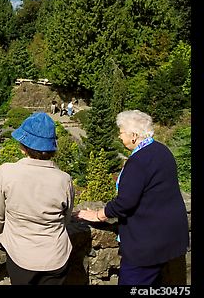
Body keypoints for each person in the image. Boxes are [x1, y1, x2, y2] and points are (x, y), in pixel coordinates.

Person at [76, 110, 189, 285]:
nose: (119, 136)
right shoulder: (161, 150)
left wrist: (98, 215)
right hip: (169, 236)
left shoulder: (139, 161)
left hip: (147, 245)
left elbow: (125, 203)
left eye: (121, 132)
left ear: (134, 136)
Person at [0, 112, 74, 285]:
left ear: (23, 146)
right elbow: (67, 218)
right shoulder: (64, 179)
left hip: (22, 257)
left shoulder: (7, 172)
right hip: (56, 257)